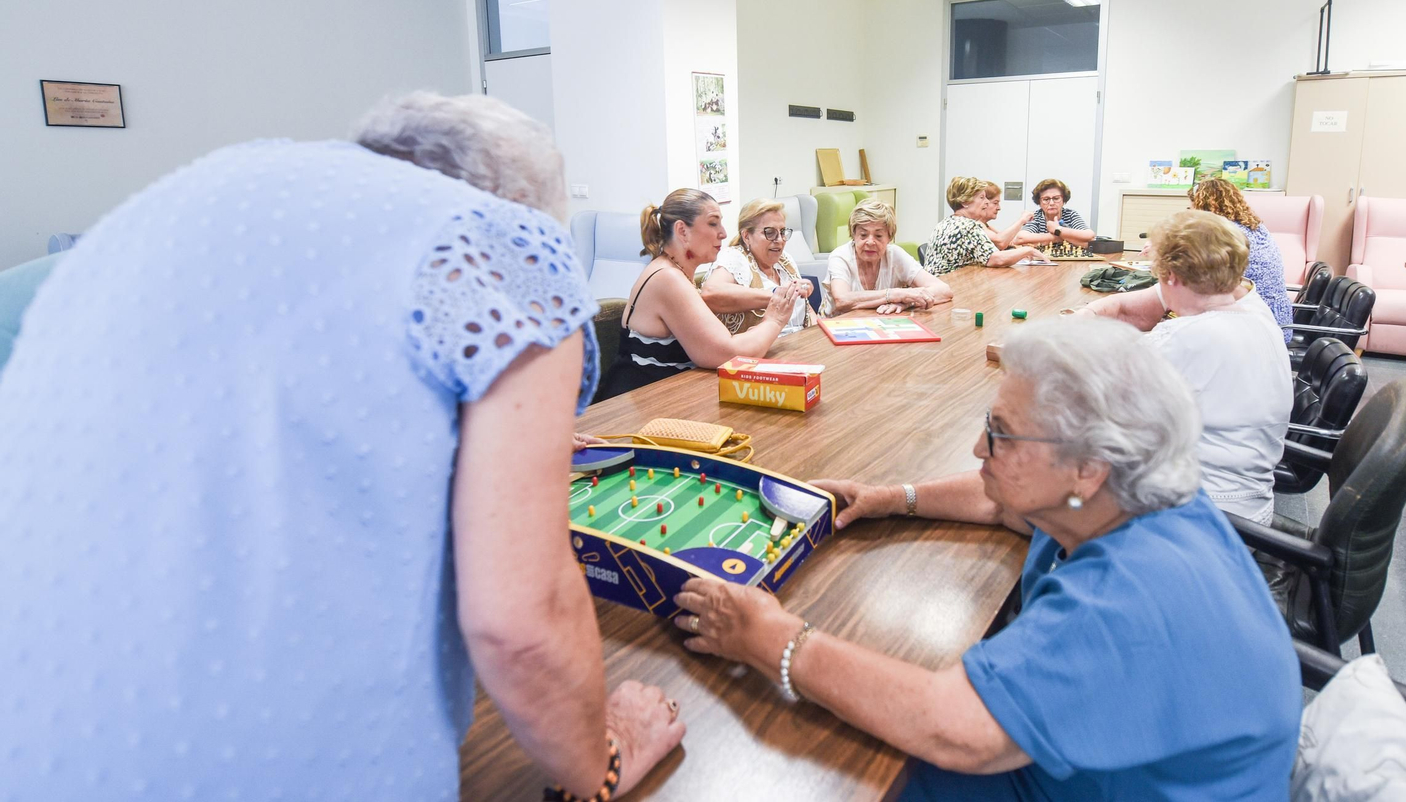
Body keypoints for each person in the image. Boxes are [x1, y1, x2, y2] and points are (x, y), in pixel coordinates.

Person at [0, 92, 684, 801]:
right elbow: (519, 623)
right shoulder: (503, 242)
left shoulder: (222, 190)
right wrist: (604, 759)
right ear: (518, 210)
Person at [666, 317, 1301, 800]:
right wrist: (893, 498)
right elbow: (1005, 507)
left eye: (1000, 434)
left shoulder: (1130, 596)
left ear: (1087, 467)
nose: (977, 447)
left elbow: (954, 727)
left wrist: (770, 637)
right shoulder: (1123, 495)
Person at [1079, 210, 1292, 523]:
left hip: (1199, 514)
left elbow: (1092, 408)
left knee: (1037, 492)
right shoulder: (1255, 311)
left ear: (1172, 276)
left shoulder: (1183, 337)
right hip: (1249, 506)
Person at [597, 189, 799, 401]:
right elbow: (727, 354)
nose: (723, 233)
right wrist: (775, 320)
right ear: (682, 231)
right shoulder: (667, 278)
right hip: (642, 405)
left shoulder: (675, 272)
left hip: (668, 396)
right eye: (713, 223)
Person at [1188, 178, 1292, 342]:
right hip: (1278, 318)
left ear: (1204, 206)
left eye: (1193, 207)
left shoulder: (1226, 233)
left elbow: (1199, 274)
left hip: (1258, 325)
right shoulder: (1255, 226)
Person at [700, 198, 816, 337]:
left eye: (782, 232)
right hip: (762, 347)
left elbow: (807, 310)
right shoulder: (735, 256)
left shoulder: (785, 260)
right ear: (746, 236)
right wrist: (777, 294)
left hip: (801, 342)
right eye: (770, 232)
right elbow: (711, 292)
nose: (779, 240)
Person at [823, 200, 952, 316]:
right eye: (863, 235)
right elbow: (842, 300)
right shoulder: (840, 256)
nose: (870, 242)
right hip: (834, 326)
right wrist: (895, 294)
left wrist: (907, 302)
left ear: (889, 237)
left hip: (878, 324)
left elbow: (944, 290)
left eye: (878, 236)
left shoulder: (894, 254)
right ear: (853, 235)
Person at [925, 177, 1048, 275]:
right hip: (955, 288)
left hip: (937, 287)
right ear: (965, 202)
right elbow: (996, 259)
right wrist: (1028, 250)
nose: (986, 202)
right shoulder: (968, 226)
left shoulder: (944, 223)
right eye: (981, 198)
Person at [1018, 179, 1095, 248]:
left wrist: (1057, 229)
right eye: (1046, 199)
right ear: (1039, 202)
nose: (1051, 203)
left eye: (1056, 198)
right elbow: (1021, 238)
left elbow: (1090, 236)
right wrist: (1062, 236)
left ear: (1063, 200)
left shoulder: (1070, 214)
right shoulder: (1036, 216)